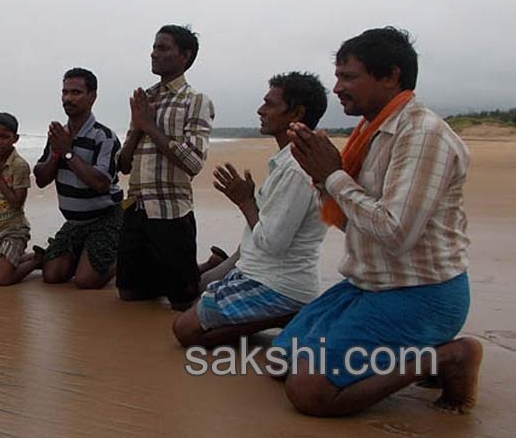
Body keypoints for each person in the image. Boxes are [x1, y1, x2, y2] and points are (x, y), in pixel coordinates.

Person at [275, 26, 481, 416]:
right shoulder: (370, 132)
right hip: (369, 285)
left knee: (309, 392)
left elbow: (394, 232)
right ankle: (411, 355)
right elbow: (357, 225)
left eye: (348, 76)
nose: (336, 88)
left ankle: (450, 357)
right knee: (280, 360)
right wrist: (323, 179)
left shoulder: (422, 135)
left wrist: (333, 176)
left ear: (391, 76)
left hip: (421, 293)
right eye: (337, 76)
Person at [172, 72, 328, 347]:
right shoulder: (289, 159)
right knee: (196, 302)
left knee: (184, 331)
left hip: (278, 283)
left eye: (270, 104)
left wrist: (245, 201)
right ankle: (279, 314)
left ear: (297, 112)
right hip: (261, 271)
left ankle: (288, 313)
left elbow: (273, 242)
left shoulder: (296, 168)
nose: (260, 110)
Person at [116, 25, 215, 310]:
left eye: (163, 48)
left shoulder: (195, 101)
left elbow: (193, 162)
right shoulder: (144, 97)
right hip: (136, 207)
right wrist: (137, 128)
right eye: (154, 47)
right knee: (130, 293)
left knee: (183, 301)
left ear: (185, 55)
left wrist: (149, 125)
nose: (154, 53)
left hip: (171, 211)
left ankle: (207, 270)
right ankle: (185, 272)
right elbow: (123, 165)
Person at [34, 68, 123, 289]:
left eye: (76, 92)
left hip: (105, 218)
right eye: (65, 92)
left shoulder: (104, 136)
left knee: (86, 281)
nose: (68, 98)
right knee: (52, 275)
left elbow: (101, 184)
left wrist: (67, 152)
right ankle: (85, 255)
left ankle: (125, 257)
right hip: (74, 222)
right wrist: (57, 152)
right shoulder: (58, 135)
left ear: (92, 96)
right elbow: (41, 179)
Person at [0, 113, 39, 286]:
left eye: (5, 137)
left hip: (14, 230)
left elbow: (17, 202)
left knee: (2, 279)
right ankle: (30, 256)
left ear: (15, 138)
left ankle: (37, 261)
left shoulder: (19, 165)